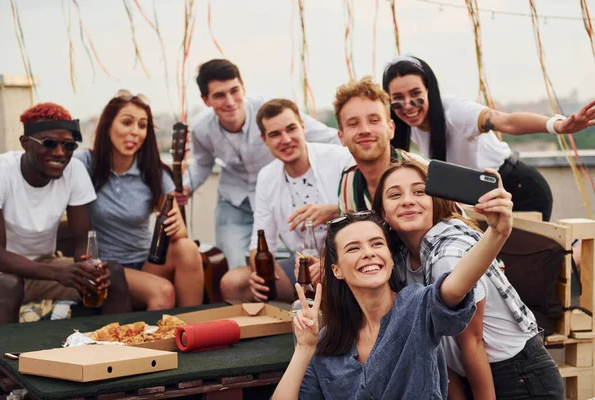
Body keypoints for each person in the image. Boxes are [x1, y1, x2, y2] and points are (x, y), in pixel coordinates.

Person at [273, 168, 514, 398]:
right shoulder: (327, 340)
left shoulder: (416, 307)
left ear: (390, 260)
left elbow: (456, 286)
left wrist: (497, 233)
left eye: (377, 244)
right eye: (353, 248)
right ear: (336, 271)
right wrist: (304, 348)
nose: (368, 253)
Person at [372, 159, 564, 399]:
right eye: (394, 195)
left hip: (516, 376)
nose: (408, 200)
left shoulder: (448, 255)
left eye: (419, 191)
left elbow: (472, 342)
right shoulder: (398, 260)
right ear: (383, 214)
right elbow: (436, 344)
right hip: (469, 373)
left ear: (435, 200)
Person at [382, 55, 595, 221]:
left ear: (430, 90)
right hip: (480, 199)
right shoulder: (406, 127)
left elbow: (507, 121)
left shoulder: (454, 111)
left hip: (517, 189)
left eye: (415, 94)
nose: (408, 105)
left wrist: (558, 125)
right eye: (398, 99)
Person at [175, 59, 340, 270]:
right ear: (205, 100)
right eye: (219, 95)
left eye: (234, 91)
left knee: (304, 256)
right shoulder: (201, 127)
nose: (230, 101)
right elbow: (202, 163)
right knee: (234, 264)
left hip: (278, 194)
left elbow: (327, 137)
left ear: (243, 87)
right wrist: (187, 187)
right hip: (234, 199)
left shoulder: (273, 112)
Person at [0, 103, 132, 327]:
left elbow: (82, 243)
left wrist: (88, 272)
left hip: (44, 265)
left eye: (69, 146)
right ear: (25, 143)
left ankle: (119, 352)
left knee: (113, 275)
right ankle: (5, 361)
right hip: (2, 273)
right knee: (8, 286)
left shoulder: (74, 170)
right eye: (49, 143)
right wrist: (56, 273)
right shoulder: (0, 171)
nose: (60, 153)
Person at [73, 90, 204, 310]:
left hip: (146, 264)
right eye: (127, 122)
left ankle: (192, 331)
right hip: (107, 269)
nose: (135, 132)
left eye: (142, 126)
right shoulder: (86, 163)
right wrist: (3, 159)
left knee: (187, 248)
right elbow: (49, 161)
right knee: (163, 291)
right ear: (108, 126)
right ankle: (150, 344)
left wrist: (175, 226)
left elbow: (180, 233)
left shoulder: (154, 173)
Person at [219, 99, 353, 303]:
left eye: (291, 129)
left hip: (345, 259)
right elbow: (261, 240)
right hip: (303, 267)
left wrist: (335, 210)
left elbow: (369, 213)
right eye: (275, 134)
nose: (286, 139)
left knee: (323, 277)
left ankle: (314, 308)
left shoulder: (339, 158)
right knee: (233, 283)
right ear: (265, 140)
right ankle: (297, 311)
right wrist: (260, 275)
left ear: (302, 127)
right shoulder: (267, 176)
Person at [334, 77, 427, 214]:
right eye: (353, 124)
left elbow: (462, 226)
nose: (365, 130)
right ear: (341, 137)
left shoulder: (424, 172)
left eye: (374, 120)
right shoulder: (349, 179)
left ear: (391, 129)